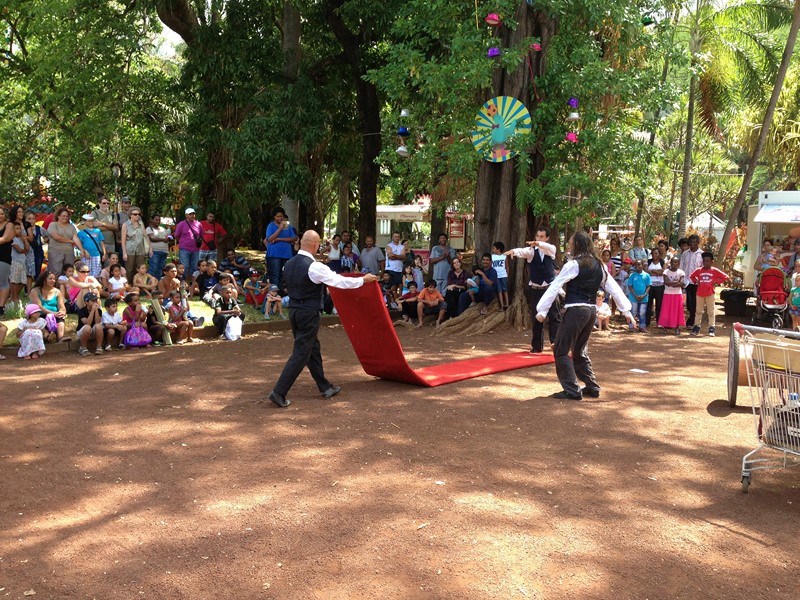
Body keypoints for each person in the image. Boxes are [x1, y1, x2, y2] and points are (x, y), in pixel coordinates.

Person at [266, 230, 378, 408]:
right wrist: (362, 280)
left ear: (301, 242)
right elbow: (338, 281)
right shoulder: (314, 266)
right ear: (315, 245)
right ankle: (279, 392)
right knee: (301, 353)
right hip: (308, 312)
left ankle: (324, 387)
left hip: (294, 311)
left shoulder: (289, 264)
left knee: (312, 348)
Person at [536, 232, 634, 400]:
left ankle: (572, 390)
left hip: (576, 310)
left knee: (560, 350)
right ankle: (592, 386)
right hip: (590, 312)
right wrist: (626, 311)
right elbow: (614, 288)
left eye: (570, 243)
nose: (569, 246)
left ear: (577, 245)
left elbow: (555, 286)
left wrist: (542, 310)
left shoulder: (573, 264)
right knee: (579, 350)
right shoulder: (599, 265)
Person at [505, 227, 561, 354]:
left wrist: (539, 244)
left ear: (547, 238)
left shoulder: (551, 250)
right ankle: (536, 347)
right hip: (536, 289)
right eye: (537, 236)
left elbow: (550, 248)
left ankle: (556, 345)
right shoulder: (531, 251)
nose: (539, 239)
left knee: (554, 317)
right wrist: (513, 251)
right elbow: (523, 251)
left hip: (550, 289)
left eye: (542, 236)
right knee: (536, 318)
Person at [689, 251, 728, 337]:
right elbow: (692, 276)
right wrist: (696, 281)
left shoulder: (714, 270)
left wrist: (716, 282)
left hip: (710, 294)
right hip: (699, 294)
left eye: (707, 261)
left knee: (710, 311)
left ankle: (711, 327)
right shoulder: (699, 270)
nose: (705, 263)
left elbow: (725, 277)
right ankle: (696, 326)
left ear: (712, 262)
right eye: (704, 261)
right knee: (698, 311)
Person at [29, 271, 70, 342]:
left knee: (60, 319)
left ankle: (61, 338)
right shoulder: (35, 291)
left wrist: (62, 312)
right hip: (40, 315)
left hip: (54, 316)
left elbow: (62, 306)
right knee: (40, 322)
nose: (53, 281)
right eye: (50, 279)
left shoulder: (57, 292)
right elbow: (39, 306)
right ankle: (47, 337)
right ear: (44, 280)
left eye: (54, 279)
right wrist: (52, 313)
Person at [264, 206, 297, 290]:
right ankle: (274, 293)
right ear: (274, 217)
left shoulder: (288, 226)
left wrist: (279, 239)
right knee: (275, 275)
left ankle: (282, 293)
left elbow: (293, 238)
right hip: (274, 255)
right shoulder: (271, 226)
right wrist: (279, 229)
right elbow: (269, 239)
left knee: (284, 275)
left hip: (286, 254)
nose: (280, 218)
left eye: (281, 216)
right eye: (277, 216)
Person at [47, 207, 85, 278]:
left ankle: (67, 285)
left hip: (69, 253)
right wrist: (70, 241)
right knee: (56, 272)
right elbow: (56, 237)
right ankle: (56, 285)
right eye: (63, 216)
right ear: (58, 216)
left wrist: (81, 250)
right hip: (55, 252)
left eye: (67, 216)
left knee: (69, 271)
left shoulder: (71, 227)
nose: (65, 217)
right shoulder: (53, 225)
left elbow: (75, 238)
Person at [679, 234, 704, 329]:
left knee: (695, 302)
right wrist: (681, 279)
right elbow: (681, 267)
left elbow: (703, 268)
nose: (692, 244)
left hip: (697, 282)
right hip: (687, 281)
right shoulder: (685, 254)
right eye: (691, 242)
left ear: (698, 243)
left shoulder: (701, 254)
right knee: (689, 303)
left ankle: (692, 321)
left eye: (694, 242)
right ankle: (692, 318)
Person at [174, 208, 204, 283]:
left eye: (193, 214)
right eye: (190, 214)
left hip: (195, 249)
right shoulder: (181, 224)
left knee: (194, 266)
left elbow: (201, 235)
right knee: (184, 266)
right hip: (184, 249)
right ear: (186, 215)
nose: (192, 215)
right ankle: (182, 281)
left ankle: (192, 282)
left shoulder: (198, 224)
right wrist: (183, 242)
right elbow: (176, 235)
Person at [659, 256, 686, 335]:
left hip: (677, 294)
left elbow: (682, 283)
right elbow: (666, 282)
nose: (674, 263)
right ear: (670, 263)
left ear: (679, 264)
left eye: (676, 262)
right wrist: (676, 283)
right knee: (666, 310)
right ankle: (664, 327)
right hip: (667, 293)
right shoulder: (666, 271)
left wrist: (672, 284)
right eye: (673, 262)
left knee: (677, 311)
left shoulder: (681, 272)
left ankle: (677, 327)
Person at [120, 207, 150, 274]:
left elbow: (146, 236)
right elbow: (123, 240)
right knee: (129, 270)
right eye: (135, 214)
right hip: (129, 250)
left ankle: (138, 281)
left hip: (140, 250)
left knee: (140, 269)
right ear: (130, 215)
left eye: (139, 214)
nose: (137, 216)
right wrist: (124, 253)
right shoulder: (125, 225)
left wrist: (150, 248)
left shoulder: (141, 224)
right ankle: (129, 281)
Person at [76, 292, 105, 357]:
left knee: (98, 326)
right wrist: (92, 311)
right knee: (88, 327)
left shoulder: (99, 310)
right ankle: (83, 348)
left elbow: (98, 322)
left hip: (93, 333)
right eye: (92, 301)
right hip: (82, 333)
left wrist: (96, 310)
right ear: (86, 302)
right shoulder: (81, 311)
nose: (95, 302)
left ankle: (99, 347)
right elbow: (87, 323)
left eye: (96, 300)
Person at [626, 259, 651, 333]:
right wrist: (635, 296)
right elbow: (630, 286)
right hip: (633, 298)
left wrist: (644, 295)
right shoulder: (632, 275)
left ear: (642, 265)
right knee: (633, 312)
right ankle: (631, 326)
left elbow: (648, 286)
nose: (637, 266)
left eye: (639, 264)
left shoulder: (646, 275)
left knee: (642, 313)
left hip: (644, 298)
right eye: (636, 265)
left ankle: (642, 326)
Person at [9, 222, 29, 308]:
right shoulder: (12, 239)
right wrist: (24, 251)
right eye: (17, 229)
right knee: (14, 281)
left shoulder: (21, 239)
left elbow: (27, 249)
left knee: (23, 281)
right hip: (15, 261)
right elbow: (19, 250)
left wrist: (25, 240)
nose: (19, 230)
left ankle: (14, 296)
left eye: (20, 228)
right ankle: (14, 298)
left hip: (22, 262)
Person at [646, 247, 665, 327]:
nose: (654, 255)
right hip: (650, 286)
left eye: (656, 253)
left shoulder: (662, 262)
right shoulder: (648, 262)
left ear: (659, 254)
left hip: (660, 286)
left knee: (659, 304)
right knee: (648, 303)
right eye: (653, 253)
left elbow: (663, 272)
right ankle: (647, 322)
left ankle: (659, 322)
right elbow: (646, 272)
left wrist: (653, 271)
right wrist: (657, 272)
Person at [385, 231, 406, 298]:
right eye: (395, 236)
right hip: (390, 269)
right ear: (392, 237)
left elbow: (403, 257)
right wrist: (399, 256)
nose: (397, 238)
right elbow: (390, 257)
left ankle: (397, 301)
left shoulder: (402, 247)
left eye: (398, 237)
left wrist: (394, 255)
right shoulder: (389, 246)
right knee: (392, 288)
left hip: (399, 270)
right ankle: (391, 301)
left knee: (399, 287)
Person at [491, 242, 509, 311]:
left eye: (494, 248)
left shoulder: (504, 256)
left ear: (498, 249)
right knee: (499, 290)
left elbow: (507, 267)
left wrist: (507, 275)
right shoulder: (492, 256)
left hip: (503, 275)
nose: (493, 249)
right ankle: (502, 305)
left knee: (505, 289)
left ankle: (507, 304)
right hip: (496, 276)